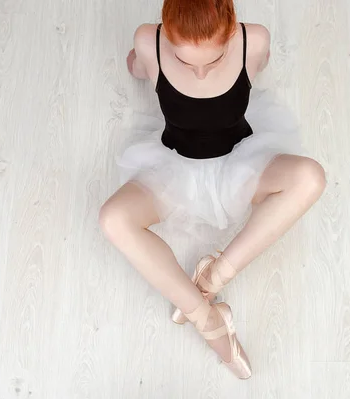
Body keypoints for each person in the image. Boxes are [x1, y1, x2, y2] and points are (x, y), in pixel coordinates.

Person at [99, 0, 326, 379]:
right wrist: (144, 63)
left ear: (231, 30)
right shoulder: (148, 40)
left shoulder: (253, 39)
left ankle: (211, 278)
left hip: (241, 160)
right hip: (174, 168)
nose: (201, 74)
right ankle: (208, 322)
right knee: (112, 219)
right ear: (166, 35)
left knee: (311, 178)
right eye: (186, 62)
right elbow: (138, 65)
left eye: (215, 59)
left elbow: (260, 59)